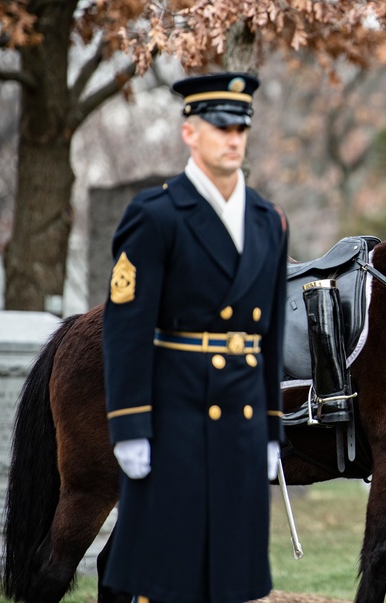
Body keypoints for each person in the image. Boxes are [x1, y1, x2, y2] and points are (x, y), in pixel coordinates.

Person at [102, 72, 288, 603]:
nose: (233, 138)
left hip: (243, 423)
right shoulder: (157, 214)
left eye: (241, 128)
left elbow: (268, 337)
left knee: (232, 576)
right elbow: (126, 330)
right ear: (190, 132)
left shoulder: (268, 220)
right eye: (220, 126)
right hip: (174, 420)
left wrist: (273, 429)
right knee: (167, 575)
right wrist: (129, 426)